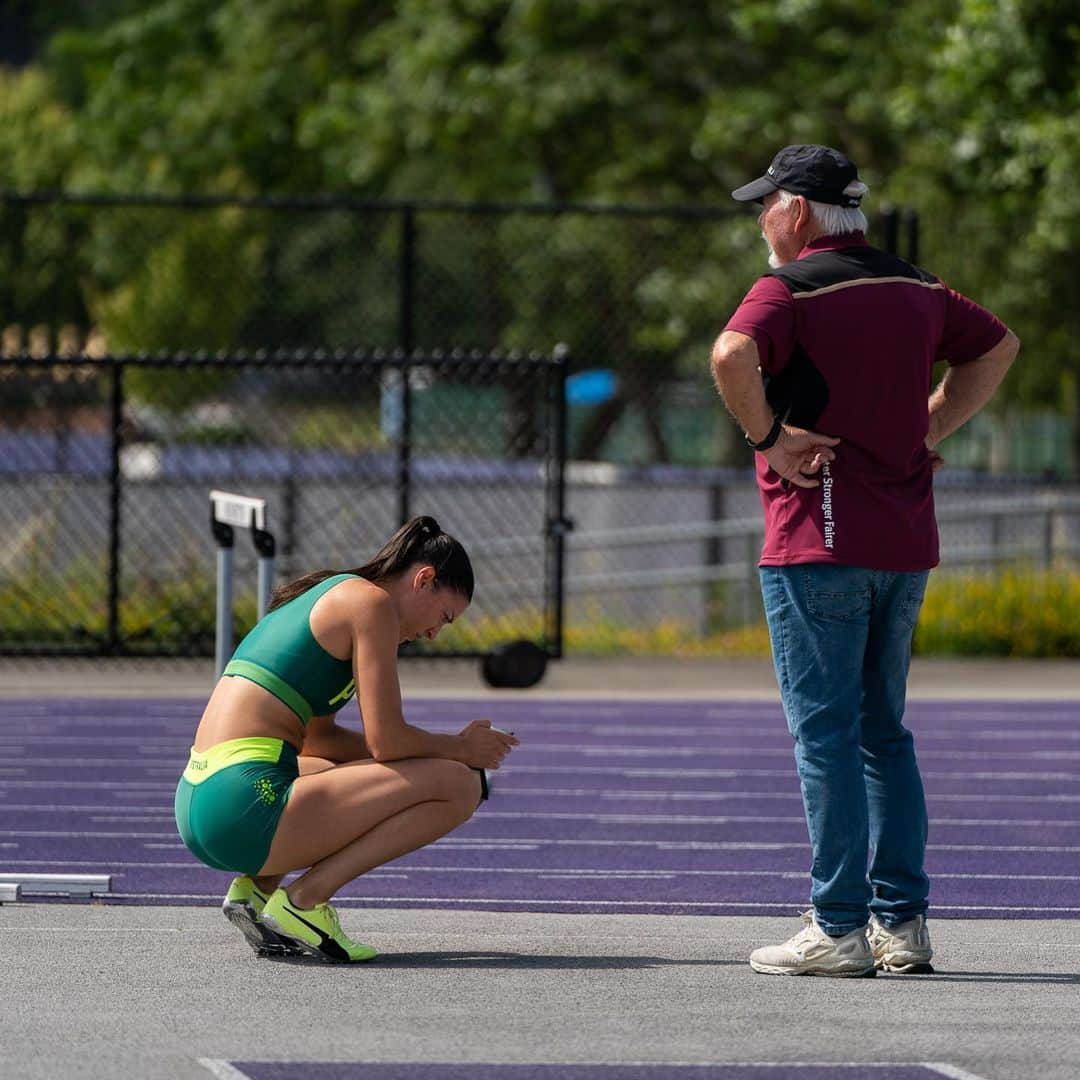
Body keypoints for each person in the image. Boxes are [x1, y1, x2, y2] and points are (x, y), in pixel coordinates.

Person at [710, 144, 1019, 977]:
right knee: (885, 732)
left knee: (826, 737)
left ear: (798, 211)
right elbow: (997, 346)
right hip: (904, 542)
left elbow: (730, 356)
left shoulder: (791, 287)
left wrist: (769, 440)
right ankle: (902, 925)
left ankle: (838, 925)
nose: (761, 218)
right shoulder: (918, 288)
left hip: (819, 537)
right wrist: (926, 430)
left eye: (766, 204)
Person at [173, 515, 518, 962]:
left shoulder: (334, 593)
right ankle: (304, 903)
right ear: (424, 579)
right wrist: (460, 749)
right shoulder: (371, 605)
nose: (434, 633)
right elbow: (387, 743)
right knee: (460, 784)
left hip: (203, 798)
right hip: (244, 806)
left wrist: (429, 755)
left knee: (348, 772)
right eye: (443, 617)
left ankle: (254, 894)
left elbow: (322, 744)